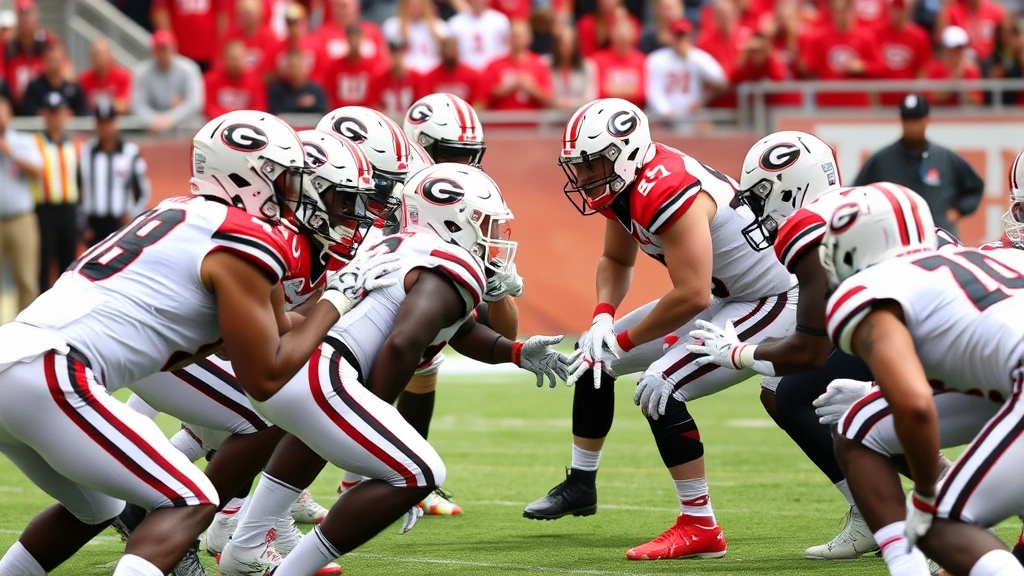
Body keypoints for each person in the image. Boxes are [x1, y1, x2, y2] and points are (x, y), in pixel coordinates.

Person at [0, 110, 395, 576]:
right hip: (52, 371)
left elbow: (249, 337)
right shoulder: (245, 238)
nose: (295, 193)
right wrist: (338, 299)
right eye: (287, 180)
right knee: (191, 499)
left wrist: (328, 304)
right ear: (252, 179)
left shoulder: (181, 213)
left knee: (95, 509)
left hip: (19, 359)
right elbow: (266, 377)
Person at [221, 162, 564, 576]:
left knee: (316, 437)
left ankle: (246, 545)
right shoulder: (452, 262)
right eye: (484, 220)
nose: (491, 233)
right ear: (455, 220)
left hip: (297, 362)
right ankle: (291, 572)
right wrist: (376, 413)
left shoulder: (401, 245)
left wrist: (514, 352)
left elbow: (459, 329)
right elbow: (405, 341)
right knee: (419, 472)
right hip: (326, 369)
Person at [523, 99, 797, 562]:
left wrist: (624, 338)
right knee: (597, 358)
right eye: (580, 166)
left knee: (661, 385)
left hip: (768, 298)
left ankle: (700, 525)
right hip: (723, 294)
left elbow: (689, 294)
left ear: (625, 152)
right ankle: (580, 483)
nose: (585, 176)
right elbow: (615, 260)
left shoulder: (664, 186)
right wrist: (603, 316)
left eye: (593, 164)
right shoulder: (625, 184)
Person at [821, 183, 1024, 576]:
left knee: (939, 522)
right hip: (1011, 379)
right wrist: (875, 394)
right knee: (860, 426)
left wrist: (928, 495)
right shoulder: (988, 262)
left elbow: (913, 404)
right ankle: (907, 568)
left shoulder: (870, 288)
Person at [853, 93, 984, 236]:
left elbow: (975, 186)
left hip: (939, 238)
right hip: (896, 240)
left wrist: (958, 210)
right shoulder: (881, 160)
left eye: (916, 120)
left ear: (927, 120)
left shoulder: (945, 157)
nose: (912, 126)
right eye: (907, 120)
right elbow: (856, 194)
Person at [78, 102, 151, 247]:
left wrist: (133, 215)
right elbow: (78, 187)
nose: (105, 128)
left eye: (108, 122)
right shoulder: (86, 152)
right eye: (101, 123)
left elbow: (143, 190)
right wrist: (82, 223)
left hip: (120, 222)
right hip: (93, 224)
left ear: (115, 123)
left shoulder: (130, 152)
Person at [31, 91, 80, 292]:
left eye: (58, 112)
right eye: (51, 113)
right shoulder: (35, 143)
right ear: (44, 115)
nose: (55, 118)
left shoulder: (73, 144)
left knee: (68, 265)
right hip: (44, 209)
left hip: (68, 209)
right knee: (43, 263)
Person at [0, 96, 42, 318]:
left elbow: (38, 173)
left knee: (26, 280)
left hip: (20, 219)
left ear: (10, 115)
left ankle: (24, 337)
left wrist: (10, 153)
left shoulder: (23, 142)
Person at [644, 19, 727, 130]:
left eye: (684, 36)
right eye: (678, 36)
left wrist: (690, 56)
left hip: (692, 116)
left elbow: (719, 78)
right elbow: (654, 91)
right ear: (671, 37)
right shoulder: (656, 59)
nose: (681, 40)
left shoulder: (698, 57)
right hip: (664, 119)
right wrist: (666, 112)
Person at [132, 31, 205, 134]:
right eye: (159, 49)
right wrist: (155, 120)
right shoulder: (141, 72)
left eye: (165, 48)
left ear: (174, 48)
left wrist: (171, 119)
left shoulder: (189, 68)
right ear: (152, 51)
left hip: (185, 128)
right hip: (152, 130)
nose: (162, 53)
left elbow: (195, 103)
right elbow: (138, 106)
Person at [483, 21, 553, 111]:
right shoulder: (493, 65)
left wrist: (531, 88)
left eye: (520, 36)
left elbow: (548, 99)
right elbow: (483, 99)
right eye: (514, 36)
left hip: (532, 121)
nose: (517, 39)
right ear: (508, 38)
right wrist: (504, 88)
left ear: (529, 38)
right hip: (501, 121)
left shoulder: (540, 64)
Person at [874, 0, 932, 106]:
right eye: (894, 10)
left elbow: (922, 70)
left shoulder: (919, 36)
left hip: (908, 99)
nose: (897, 14)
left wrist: (916, 99)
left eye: (900, 10)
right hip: (884, 98)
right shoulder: (877, 33)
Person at [20, 41, 88, 117]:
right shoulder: (34, 87)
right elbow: (28, 113)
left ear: (63, 60)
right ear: (44, 60)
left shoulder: (74, 89)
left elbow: (83, 114)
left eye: (56, 59)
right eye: (50, 59)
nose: (53, 63)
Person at [4, 0, 53, 105]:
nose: (26, 19)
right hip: (14, 107)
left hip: (45, 105)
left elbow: (65, 71)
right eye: (22, 14)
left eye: (29, 13)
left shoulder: (48, 43)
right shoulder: (7, 47)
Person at [203, 39, 269, 118]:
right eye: (232, 58)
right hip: (218, 121)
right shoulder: (211, 79)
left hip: (248, 122)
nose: (236, 62)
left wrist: (240, 117)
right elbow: (209, 107)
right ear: (223, 59)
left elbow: (260, 108)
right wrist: (229, 117)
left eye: (239, 58)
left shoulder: (256, 80)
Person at [382, 0, 449, 75]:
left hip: (433, 74)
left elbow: (446, 57)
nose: (415, 7)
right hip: (406, 75)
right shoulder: (393, 25)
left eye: (418, 3)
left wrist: (436, 35)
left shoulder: (440, 26)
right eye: (411, 4)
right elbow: (389, 56)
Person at [590, 18, 646, 107]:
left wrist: (611, 90)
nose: (622, 39)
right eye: (619, 35)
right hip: (605, 110)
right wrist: (631, 90)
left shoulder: (642, 60)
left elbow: (643, 93)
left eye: (625, 36)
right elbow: (597, 91)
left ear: (634, 35)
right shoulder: (598, 59)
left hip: (636, 110)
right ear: (611, 34)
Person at [151, 0, 220, 70]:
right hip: (179, 52)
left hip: (207, 52)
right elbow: (160, 12)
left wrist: (219, 46)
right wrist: (168, 42)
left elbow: (222, 13)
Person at [926, 25, 984, 106]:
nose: (957, 52)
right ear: (944, 49)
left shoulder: (971, 70)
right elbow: (931, 99)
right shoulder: (933, 68)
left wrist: (963, 88)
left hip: (964, 117)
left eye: (960, 48)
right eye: (953, 48)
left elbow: (978, 103)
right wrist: (954, 80)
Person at [220, 0, 279, 77]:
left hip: (259, 84)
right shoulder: (230, 37)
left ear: (260, 13)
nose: (247, 18)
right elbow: (223, 65)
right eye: (243, 13)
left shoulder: (271, 39)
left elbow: (270, 71)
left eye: (250, 13)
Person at [447, 0, 510, 72]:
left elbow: (506, 49)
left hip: (492, 72)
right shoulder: (455, 23)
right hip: (466, 72)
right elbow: (451, 52)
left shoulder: (500, 21)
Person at [422, 36, 484, 106]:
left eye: (453, 48)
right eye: (447, 48)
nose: (450, 52)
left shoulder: (473, 75)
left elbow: (479, 103)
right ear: (441, 51)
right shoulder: (430, 77)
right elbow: (425, 103)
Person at [547, 27, 598, 111]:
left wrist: (571, 104)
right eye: (563, 44)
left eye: (570, 44)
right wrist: (555, 102)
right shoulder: (546, 64)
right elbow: (543, 92)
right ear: (557, 45)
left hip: (579, 115)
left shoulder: (588, 66)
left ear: (576, 46)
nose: (566, 48)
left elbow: (591, 96)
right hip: (553, 116)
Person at [78, 39, 133, 114]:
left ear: (110, 55)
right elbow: (79, 107)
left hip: (117, 122)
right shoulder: (83, 78)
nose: (97, 58)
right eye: (94, 54)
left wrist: (99, 102)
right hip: (92, 122)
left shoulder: (123, 75)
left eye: (100, 54)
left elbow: (125, 106)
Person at [268, 49, 330, 114]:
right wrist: (296, 103)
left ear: (307, 67)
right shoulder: (277, 91)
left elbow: (324, 110)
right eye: (292, 66)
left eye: (299, 66)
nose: (296, 70)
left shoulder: (316, 89)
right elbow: (275, 112)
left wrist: (312, 104)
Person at [375, 41, 427, 118]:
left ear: (404, 53)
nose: (397, 56)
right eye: (393, 53)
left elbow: (422, 103)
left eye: (399, 53)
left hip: (410, 120)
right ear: (388, 54)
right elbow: (374, 104)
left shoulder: (416, 77)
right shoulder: (379, 78)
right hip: (388, 121)